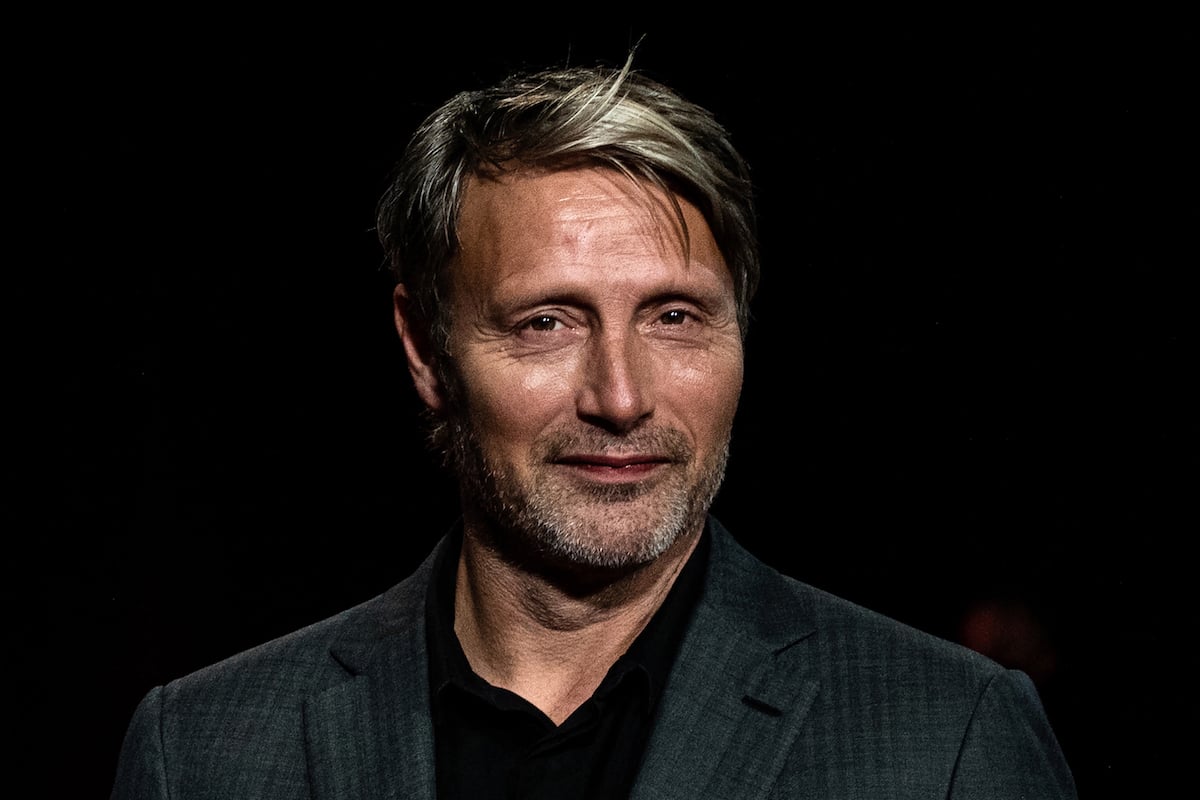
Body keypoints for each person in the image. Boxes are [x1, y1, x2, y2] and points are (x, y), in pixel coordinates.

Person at [110, 53, 1078, 798]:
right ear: (426, 348)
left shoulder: (949, 739)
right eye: (547, 322)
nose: (620, 397)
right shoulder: (202, 751)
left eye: (675, 317)